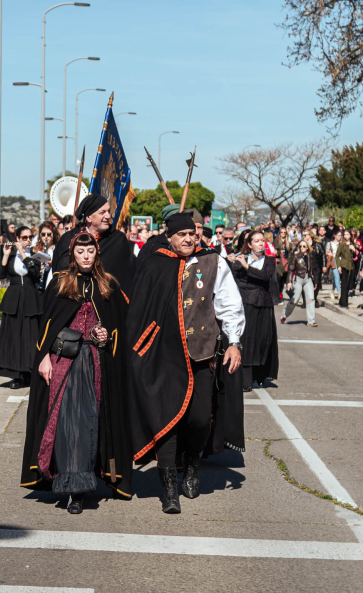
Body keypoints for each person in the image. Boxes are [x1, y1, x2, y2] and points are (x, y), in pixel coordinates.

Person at [127, 214, 244, 514]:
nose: (189, 239)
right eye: (181, 235)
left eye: (192, 233)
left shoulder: (214, 262)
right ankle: (168, 488)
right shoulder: (155, 263)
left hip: (202, 355)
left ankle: (192, 464)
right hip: (162, 357)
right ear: (169, 237)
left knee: (199, 420)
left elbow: (229, 305)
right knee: (168, 420)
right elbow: (139, 309)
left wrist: (233, 343)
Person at [21, 232, 131, 513]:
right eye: (80, 251)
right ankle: (69, 485)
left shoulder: (108, 285)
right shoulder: (59, 283)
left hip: (95, 363)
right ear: (72, 255)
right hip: (62, 363)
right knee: (65, 425)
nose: (85, 255)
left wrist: (105, 336)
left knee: (86, 424)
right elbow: (46, 325)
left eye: (90, 251)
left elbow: (119, 327)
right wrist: (43, 356)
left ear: (97, 254)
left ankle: (79, 488)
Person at [53, 195, 136, 295]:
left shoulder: (118, 240)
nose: (108, 216)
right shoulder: (69, 239)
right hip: (75, 299)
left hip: (108, 303)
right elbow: (61, 274)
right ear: (88, 217)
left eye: (108, 211)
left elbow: (129, 274)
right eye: (102, 212)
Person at [230, 230, 279, 391]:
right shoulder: (242, 259)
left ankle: (261, 375)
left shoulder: (269, 261)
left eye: (262, 241)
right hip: (246, 304)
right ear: (249, 245)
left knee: (263, 340)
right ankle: (245, 379)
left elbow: (265, 277)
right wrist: (232, 263)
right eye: (256, 241)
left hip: (263, 304)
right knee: (247, 340)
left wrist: (246, 266)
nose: (260, 243)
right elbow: (234, 278)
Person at [0, 226, 43, 389]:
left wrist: (23, 253)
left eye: (30, 237)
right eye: (24, 238)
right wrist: (6, 255)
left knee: (30, 336)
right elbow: (1, 275)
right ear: (17, 238)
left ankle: (30, 372)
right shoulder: (11, 256)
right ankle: (16, 375)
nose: (28, 240)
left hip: (30, 298)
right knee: (14, 336)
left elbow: (35, 272)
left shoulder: (36, 255)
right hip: (14, 298)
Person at [281, 236, 318, 327]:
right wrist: (289, 282)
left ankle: (311, 321)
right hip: (298, 279)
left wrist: (315, 281)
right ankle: (284, 314)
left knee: (310, 299)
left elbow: (312, 270)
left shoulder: (310, 256)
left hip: (308, 279)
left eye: (304, 246)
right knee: (295, 300)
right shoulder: (296, 256)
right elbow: (291, 269)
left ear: (307, 247)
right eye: (300, 246)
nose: (302, 248)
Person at [335, 231, 355, 308]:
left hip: (350, 266)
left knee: (348, 285)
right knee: (344, 284)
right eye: (345, 234)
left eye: (347, 234)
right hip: (344, 265)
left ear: (350, 236)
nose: (346, 236)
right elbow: (337, 255)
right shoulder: (342, 244)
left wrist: (353, 249)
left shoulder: (352, 244)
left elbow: (355, 255)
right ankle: (344, 302)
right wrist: (339, 266)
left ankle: (342, 300)